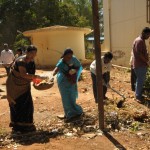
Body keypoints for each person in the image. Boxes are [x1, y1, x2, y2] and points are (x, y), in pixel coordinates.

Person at [6, 45, 47, 133]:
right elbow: (23, 74)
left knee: (27, 106)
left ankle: (26, 125)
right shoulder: (21, 61)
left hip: (24, 86)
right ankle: (17, 126)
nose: (33, 55)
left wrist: (36, 80)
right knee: (16, 104)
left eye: (35, 53)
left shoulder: (31, 61)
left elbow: (30, 75)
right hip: (14, 85)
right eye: (31, 53)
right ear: (27, 52)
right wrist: (37, 76)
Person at [52, 48, 83, 123]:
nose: (69, 58)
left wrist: (74, 70)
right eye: (68, 57)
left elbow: (79, 66)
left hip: (71, 81)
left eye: (70, 56)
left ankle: (76, 111)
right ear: (64, 55)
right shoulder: (61, 62)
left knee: (72, 96)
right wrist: (51, 75)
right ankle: (69, 114)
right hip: (62, 81)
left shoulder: (74, 59)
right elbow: (56, 69)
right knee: (65, 98)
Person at [132, 27, 150, 103]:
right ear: (144, 33)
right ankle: (137, 97)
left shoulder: (140, 40)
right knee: (140, 80)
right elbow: (139, 54)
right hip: (140, 65)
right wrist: (147, 61)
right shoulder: (139, 41)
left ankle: (138, 95)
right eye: (148, 35)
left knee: (139, 80)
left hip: (140, 64)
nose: (148, 36)